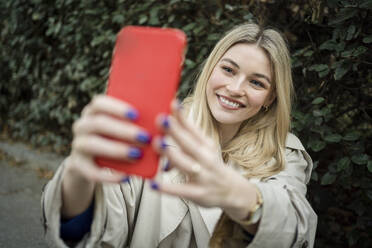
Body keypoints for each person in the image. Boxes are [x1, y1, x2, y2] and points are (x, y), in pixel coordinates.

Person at [41, 23, 317, 248]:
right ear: (210, 71)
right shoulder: (155, 132)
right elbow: (93, 223)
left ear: (270, 97)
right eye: (228, 70)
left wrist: (235, 194)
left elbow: (294, 226)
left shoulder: (286, 154)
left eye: (257, 82)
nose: (235, 88)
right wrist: (79, 175)